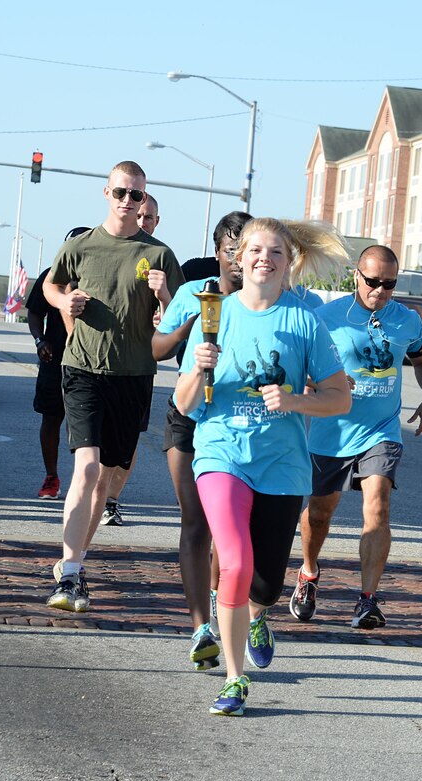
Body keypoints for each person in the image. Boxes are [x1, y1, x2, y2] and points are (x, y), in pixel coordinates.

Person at [176, 217, 352, 717]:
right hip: (221, 453)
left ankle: (258, 615)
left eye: (275, 251)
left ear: (287, 261)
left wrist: (295, 399)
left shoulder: (303, 322)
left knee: (267, 582)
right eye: (254, 249)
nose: (263, 259)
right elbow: (186, 403)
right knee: (233, 561)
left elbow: (339, 398)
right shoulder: (216, 317)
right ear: (238, 257)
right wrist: (201, 368)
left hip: (282, 465)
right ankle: (235, 679)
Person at [42, 160, 183, 613]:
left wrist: (163, 297)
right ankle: (69, 573)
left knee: (107, 479)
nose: (128, 201)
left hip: (134, 375)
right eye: (121, 192)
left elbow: (176, 322)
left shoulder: (159, 255)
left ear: (144, 199)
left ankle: (75, 564)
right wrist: (65, 300)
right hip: (82, 369)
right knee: (85, 469)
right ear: (107, 193)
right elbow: (51, 284)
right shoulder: (82, 246)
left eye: (136, 195)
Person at [290, 245, 422, 630]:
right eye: (372, 282)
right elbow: (299, 367)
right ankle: (308, 573)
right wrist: (321, 382)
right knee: (320, 514)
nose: (379, 291)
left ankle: (367, 600)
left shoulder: (407, 320)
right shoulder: (327, 318)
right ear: (357, 275)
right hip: (331, 431)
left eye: (388, 284)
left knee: (378, 506)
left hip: (382, 429)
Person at [152, 210, 251, 670]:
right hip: (188, 413)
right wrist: (186, 327)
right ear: (218, 252)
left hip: (233, 421)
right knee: (195, 521)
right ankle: (200, 628)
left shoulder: (261, 303)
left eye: (245, 250)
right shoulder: (195, 292)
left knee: (225, 527)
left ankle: (224, 603)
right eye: (230, 251)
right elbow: (156, 348)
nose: (238, 260)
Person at [99, 192, 162, 526]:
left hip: (139, 366)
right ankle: (93, 494)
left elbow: (177, 315)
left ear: (156, 221)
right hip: (100, 362)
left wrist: (163, 312)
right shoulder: (107, 247)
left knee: (129, 438)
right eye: (137, 215)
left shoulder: (161, 257)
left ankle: (112, 499)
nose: (142, 221)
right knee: (96, 439)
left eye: (148, 216)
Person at [26, 226, 89, 499]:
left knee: (85, 426)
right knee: (51, 418)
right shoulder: (51, 277)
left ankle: (83, 481)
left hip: (91, 362)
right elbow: (34, 313)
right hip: (56, 360)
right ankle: (51, 477)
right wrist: (40, 341)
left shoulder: (98, 278)